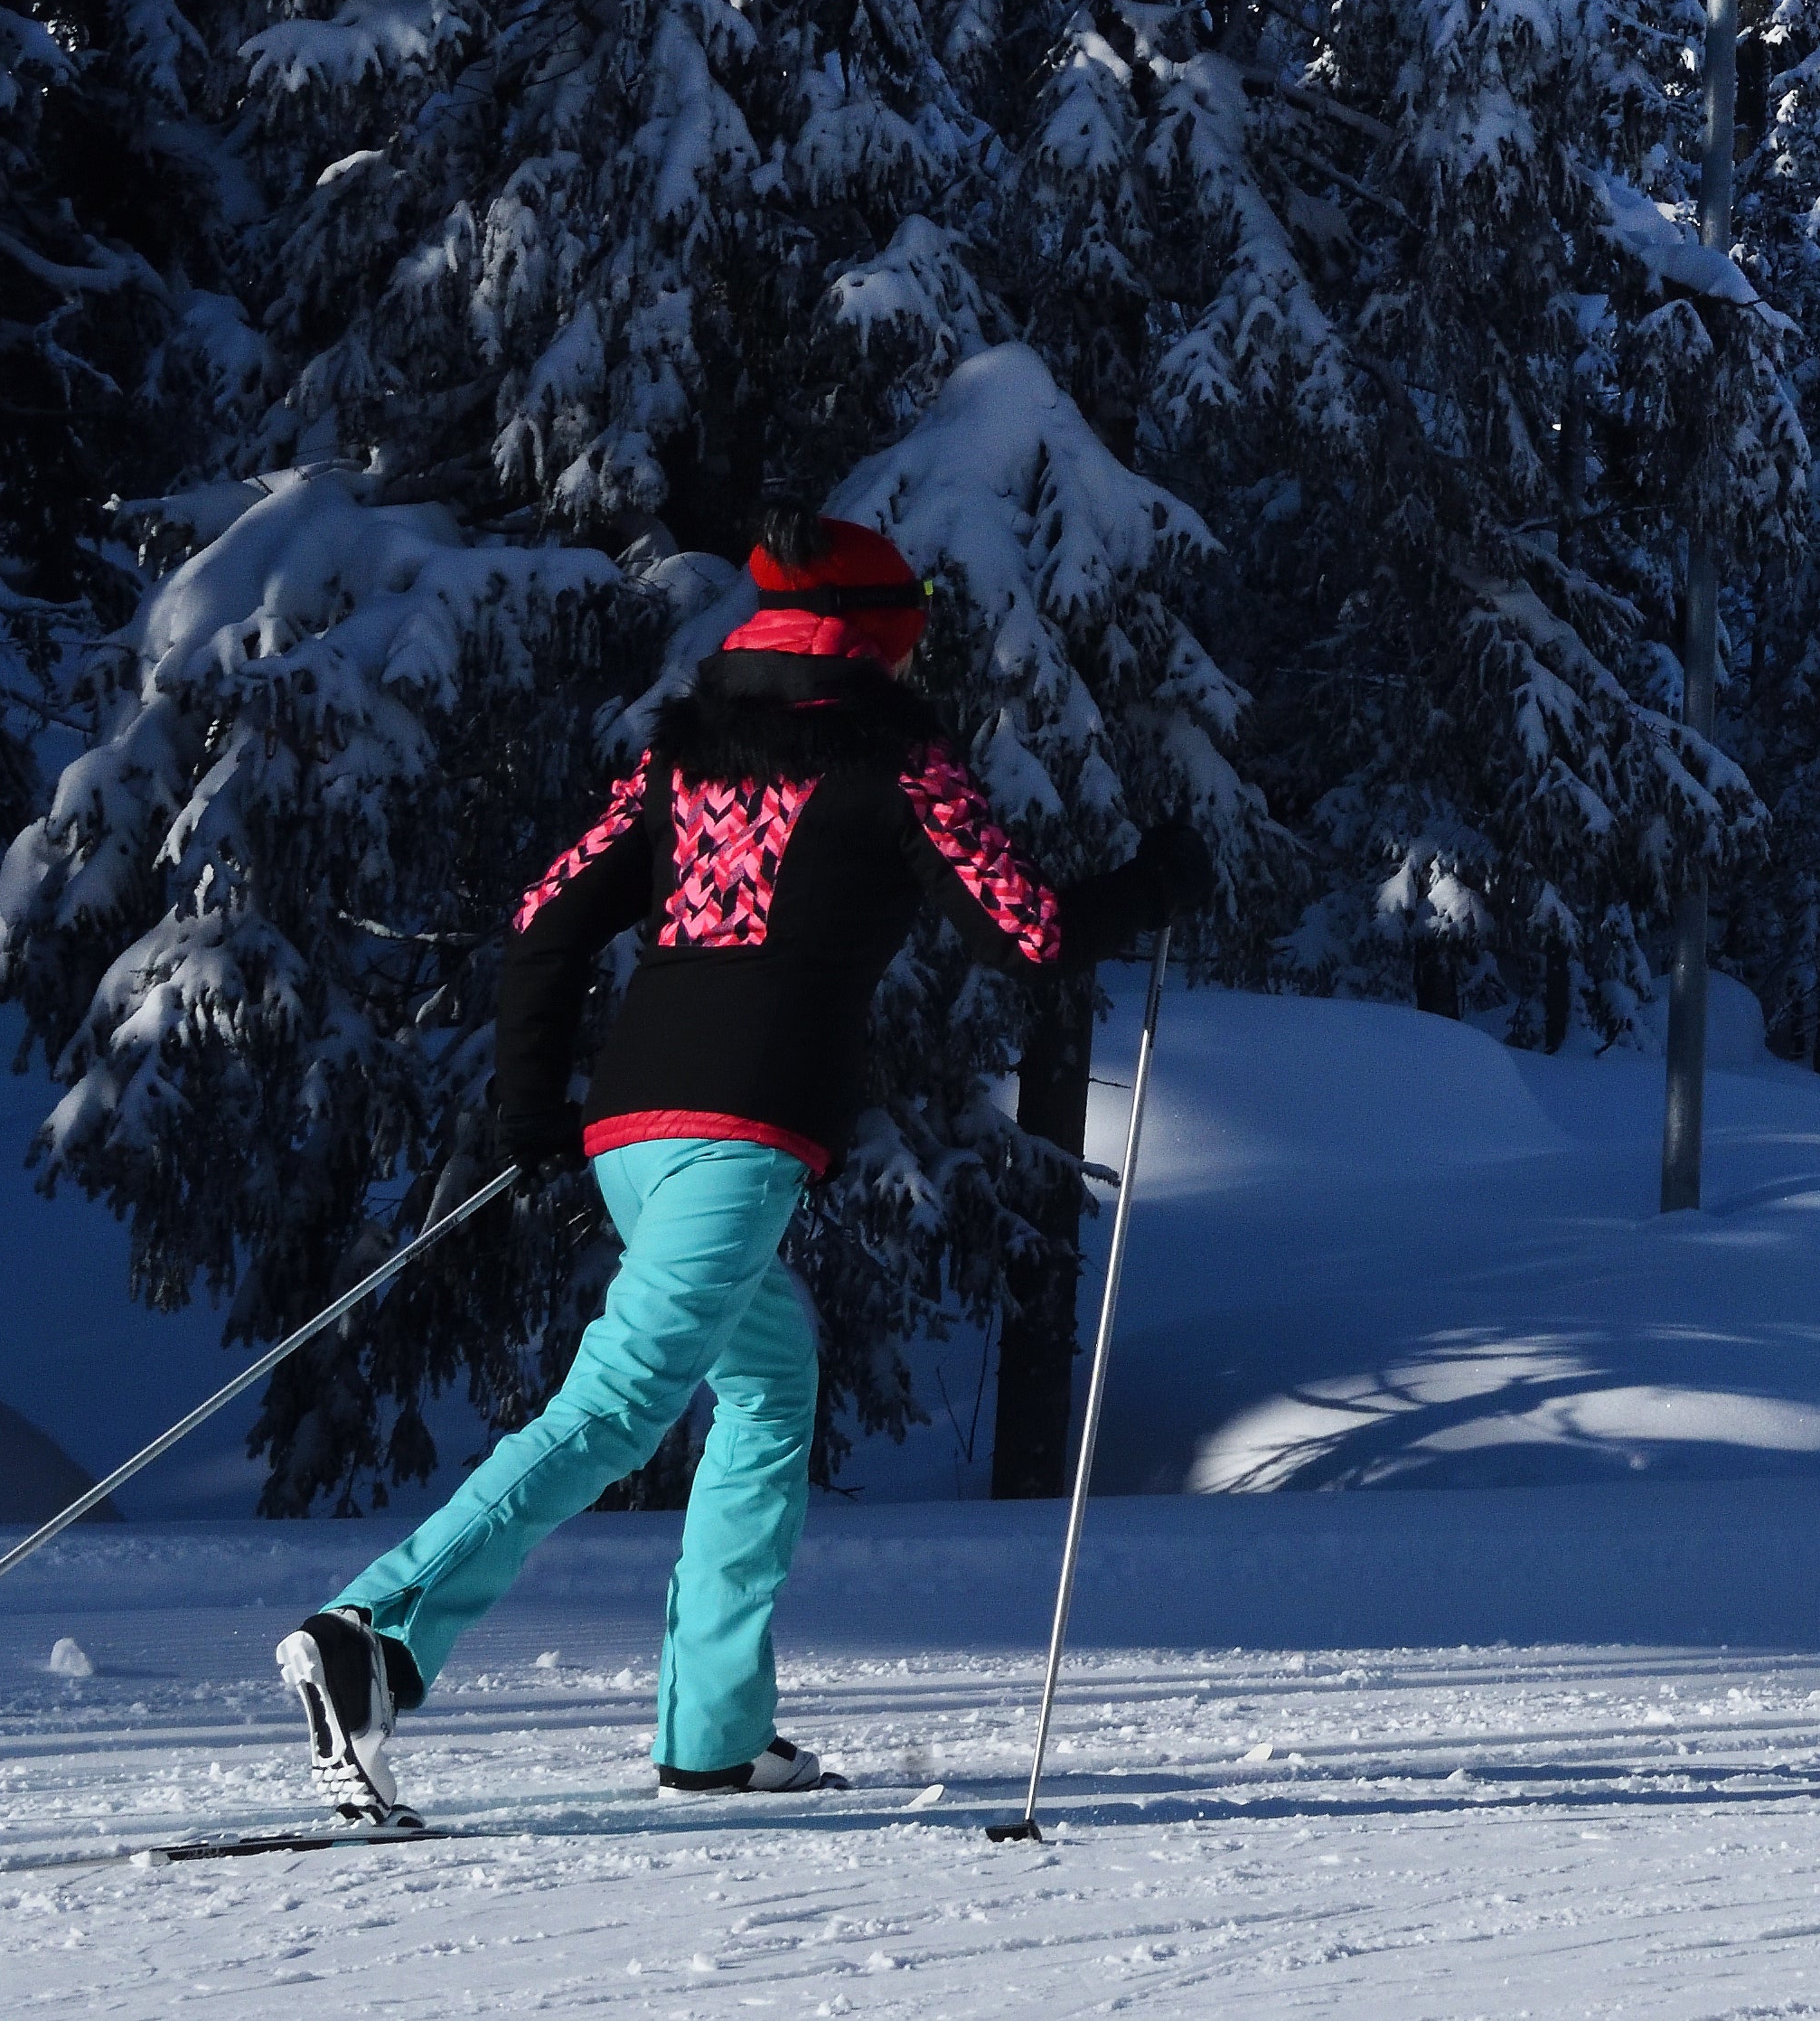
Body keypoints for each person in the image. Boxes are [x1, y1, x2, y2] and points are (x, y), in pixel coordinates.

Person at [276, 517, 1201, 1820]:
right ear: (879, 633)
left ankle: (713, 1733)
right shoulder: (893, 760)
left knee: (769, 1381)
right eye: (916, 609)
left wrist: (534, 1104)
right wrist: (1154, 882)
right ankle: (373, 1635)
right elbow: (1027, 932)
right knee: (618, 1404)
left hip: (634, 1132)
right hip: (745, 1131)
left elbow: (545, 916)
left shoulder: (677, 761)